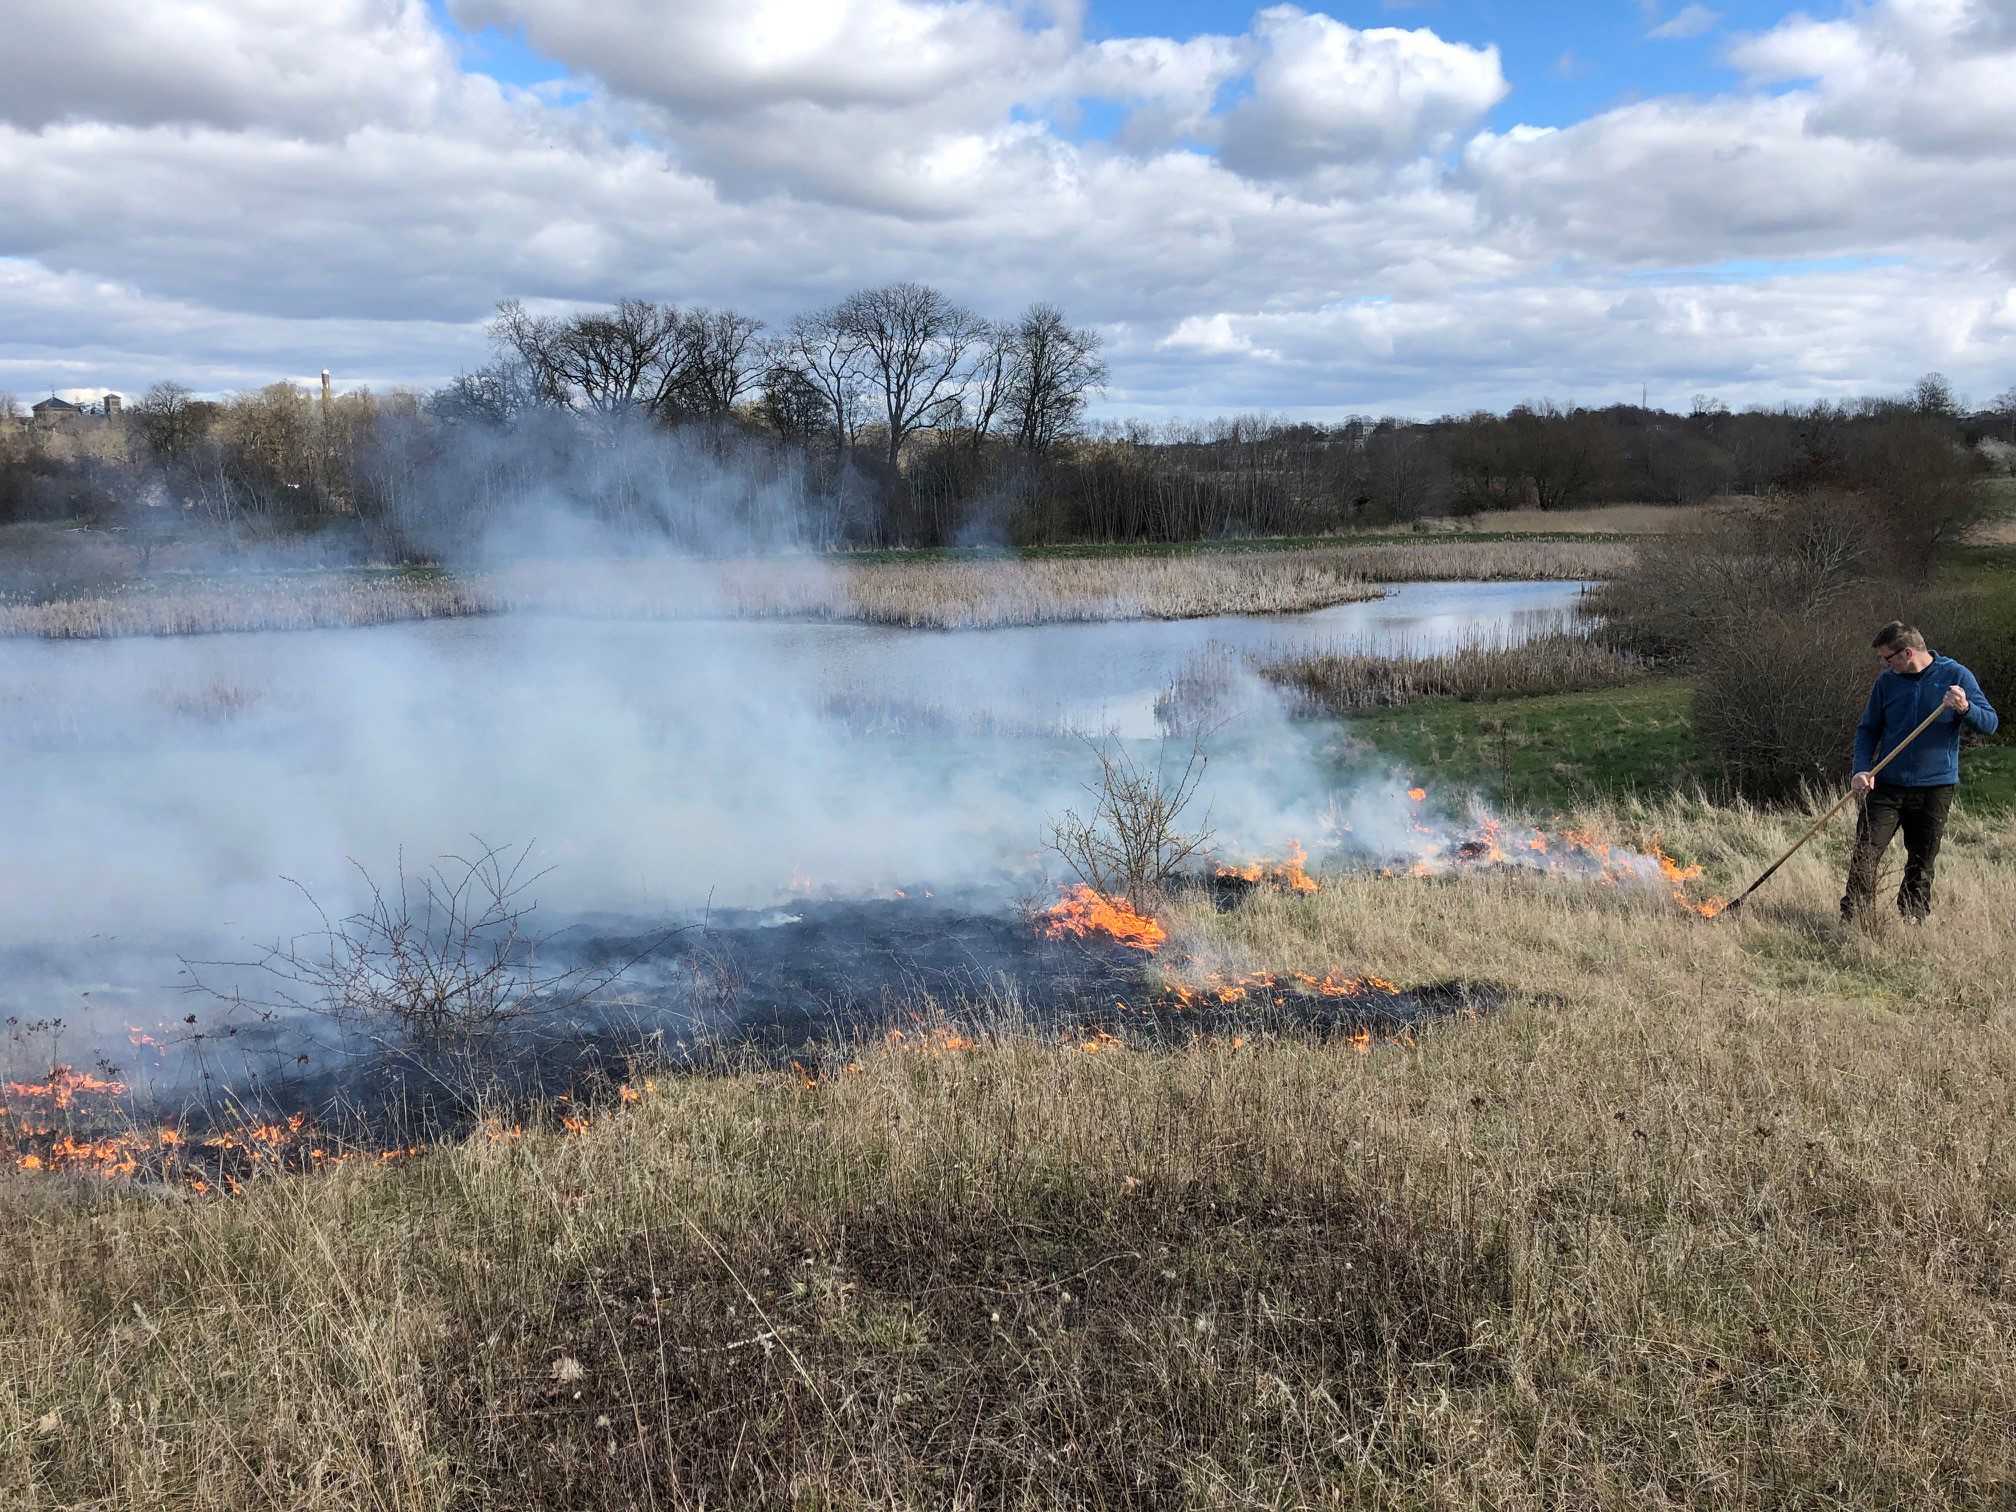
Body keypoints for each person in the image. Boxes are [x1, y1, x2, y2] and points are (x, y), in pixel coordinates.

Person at [1841, 620, 1998, 923]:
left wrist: (1965, 708)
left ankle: (1913, 918)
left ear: (1907, 653)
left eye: (1886, 658)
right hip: (1885, 785)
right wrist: (1861, 769)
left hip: (1935, 787)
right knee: (1865, 854)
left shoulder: (1955, 675)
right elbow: (1867, 730)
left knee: (1922, 861)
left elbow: (1990, 723)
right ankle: (1855, 918)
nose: (1884, 665)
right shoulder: (1886, 683)